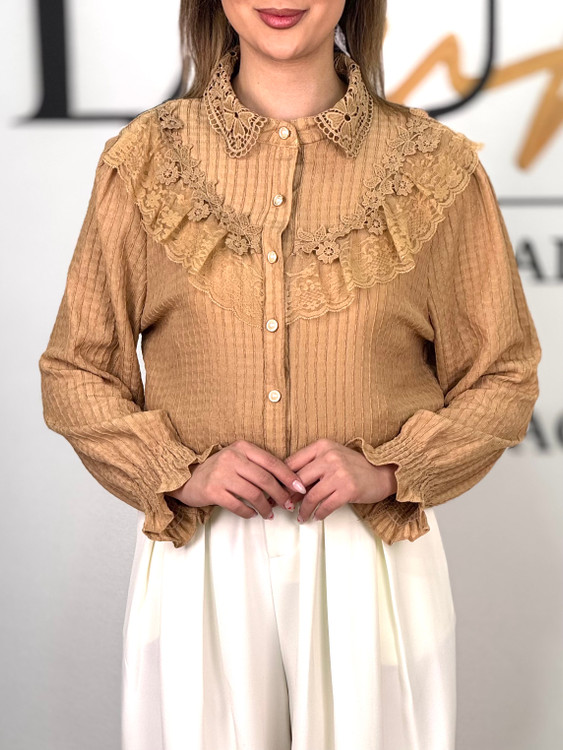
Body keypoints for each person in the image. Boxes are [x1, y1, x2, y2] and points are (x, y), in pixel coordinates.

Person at [38, 1, 542, 748]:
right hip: (200, 557)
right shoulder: (144, 160)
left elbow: (504, 373)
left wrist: (390, 469)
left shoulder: (434, 168)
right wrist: (179, 472)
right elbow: (76, 367)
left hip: (372, 557)